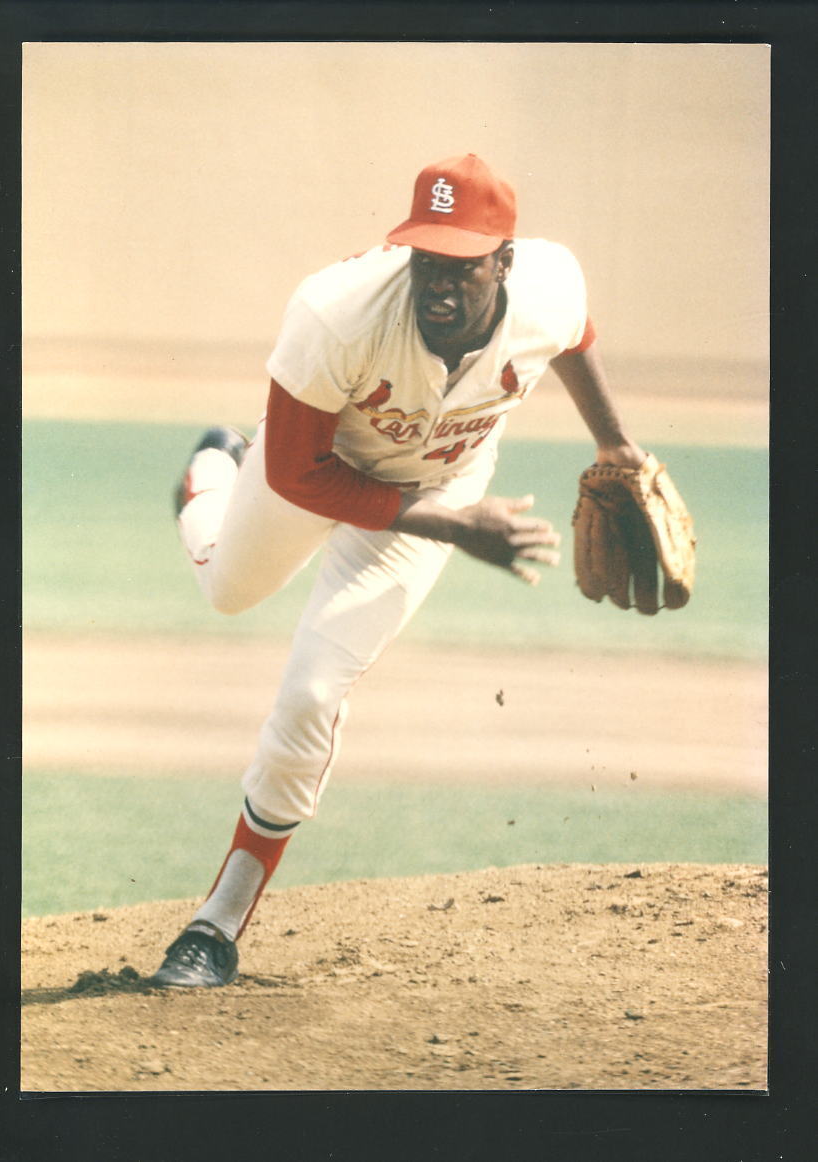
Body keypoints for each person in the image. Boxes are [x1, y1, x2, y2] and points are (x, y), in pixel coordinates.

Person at [151, 153, 645, 988]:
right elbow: (300, 476)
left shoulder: (550, 284)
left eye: (461, 265)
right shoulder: (334, 314)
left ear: (505, 260)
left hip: (439, 482)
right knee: (225, 589)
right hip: (314, 465)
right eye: (425, 261)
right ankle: (210, 469)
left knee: (313, 687)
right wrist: (454, 529)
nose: (439, 285)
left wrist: (617, 446)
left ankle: (215, 925)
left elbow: (576, 334)